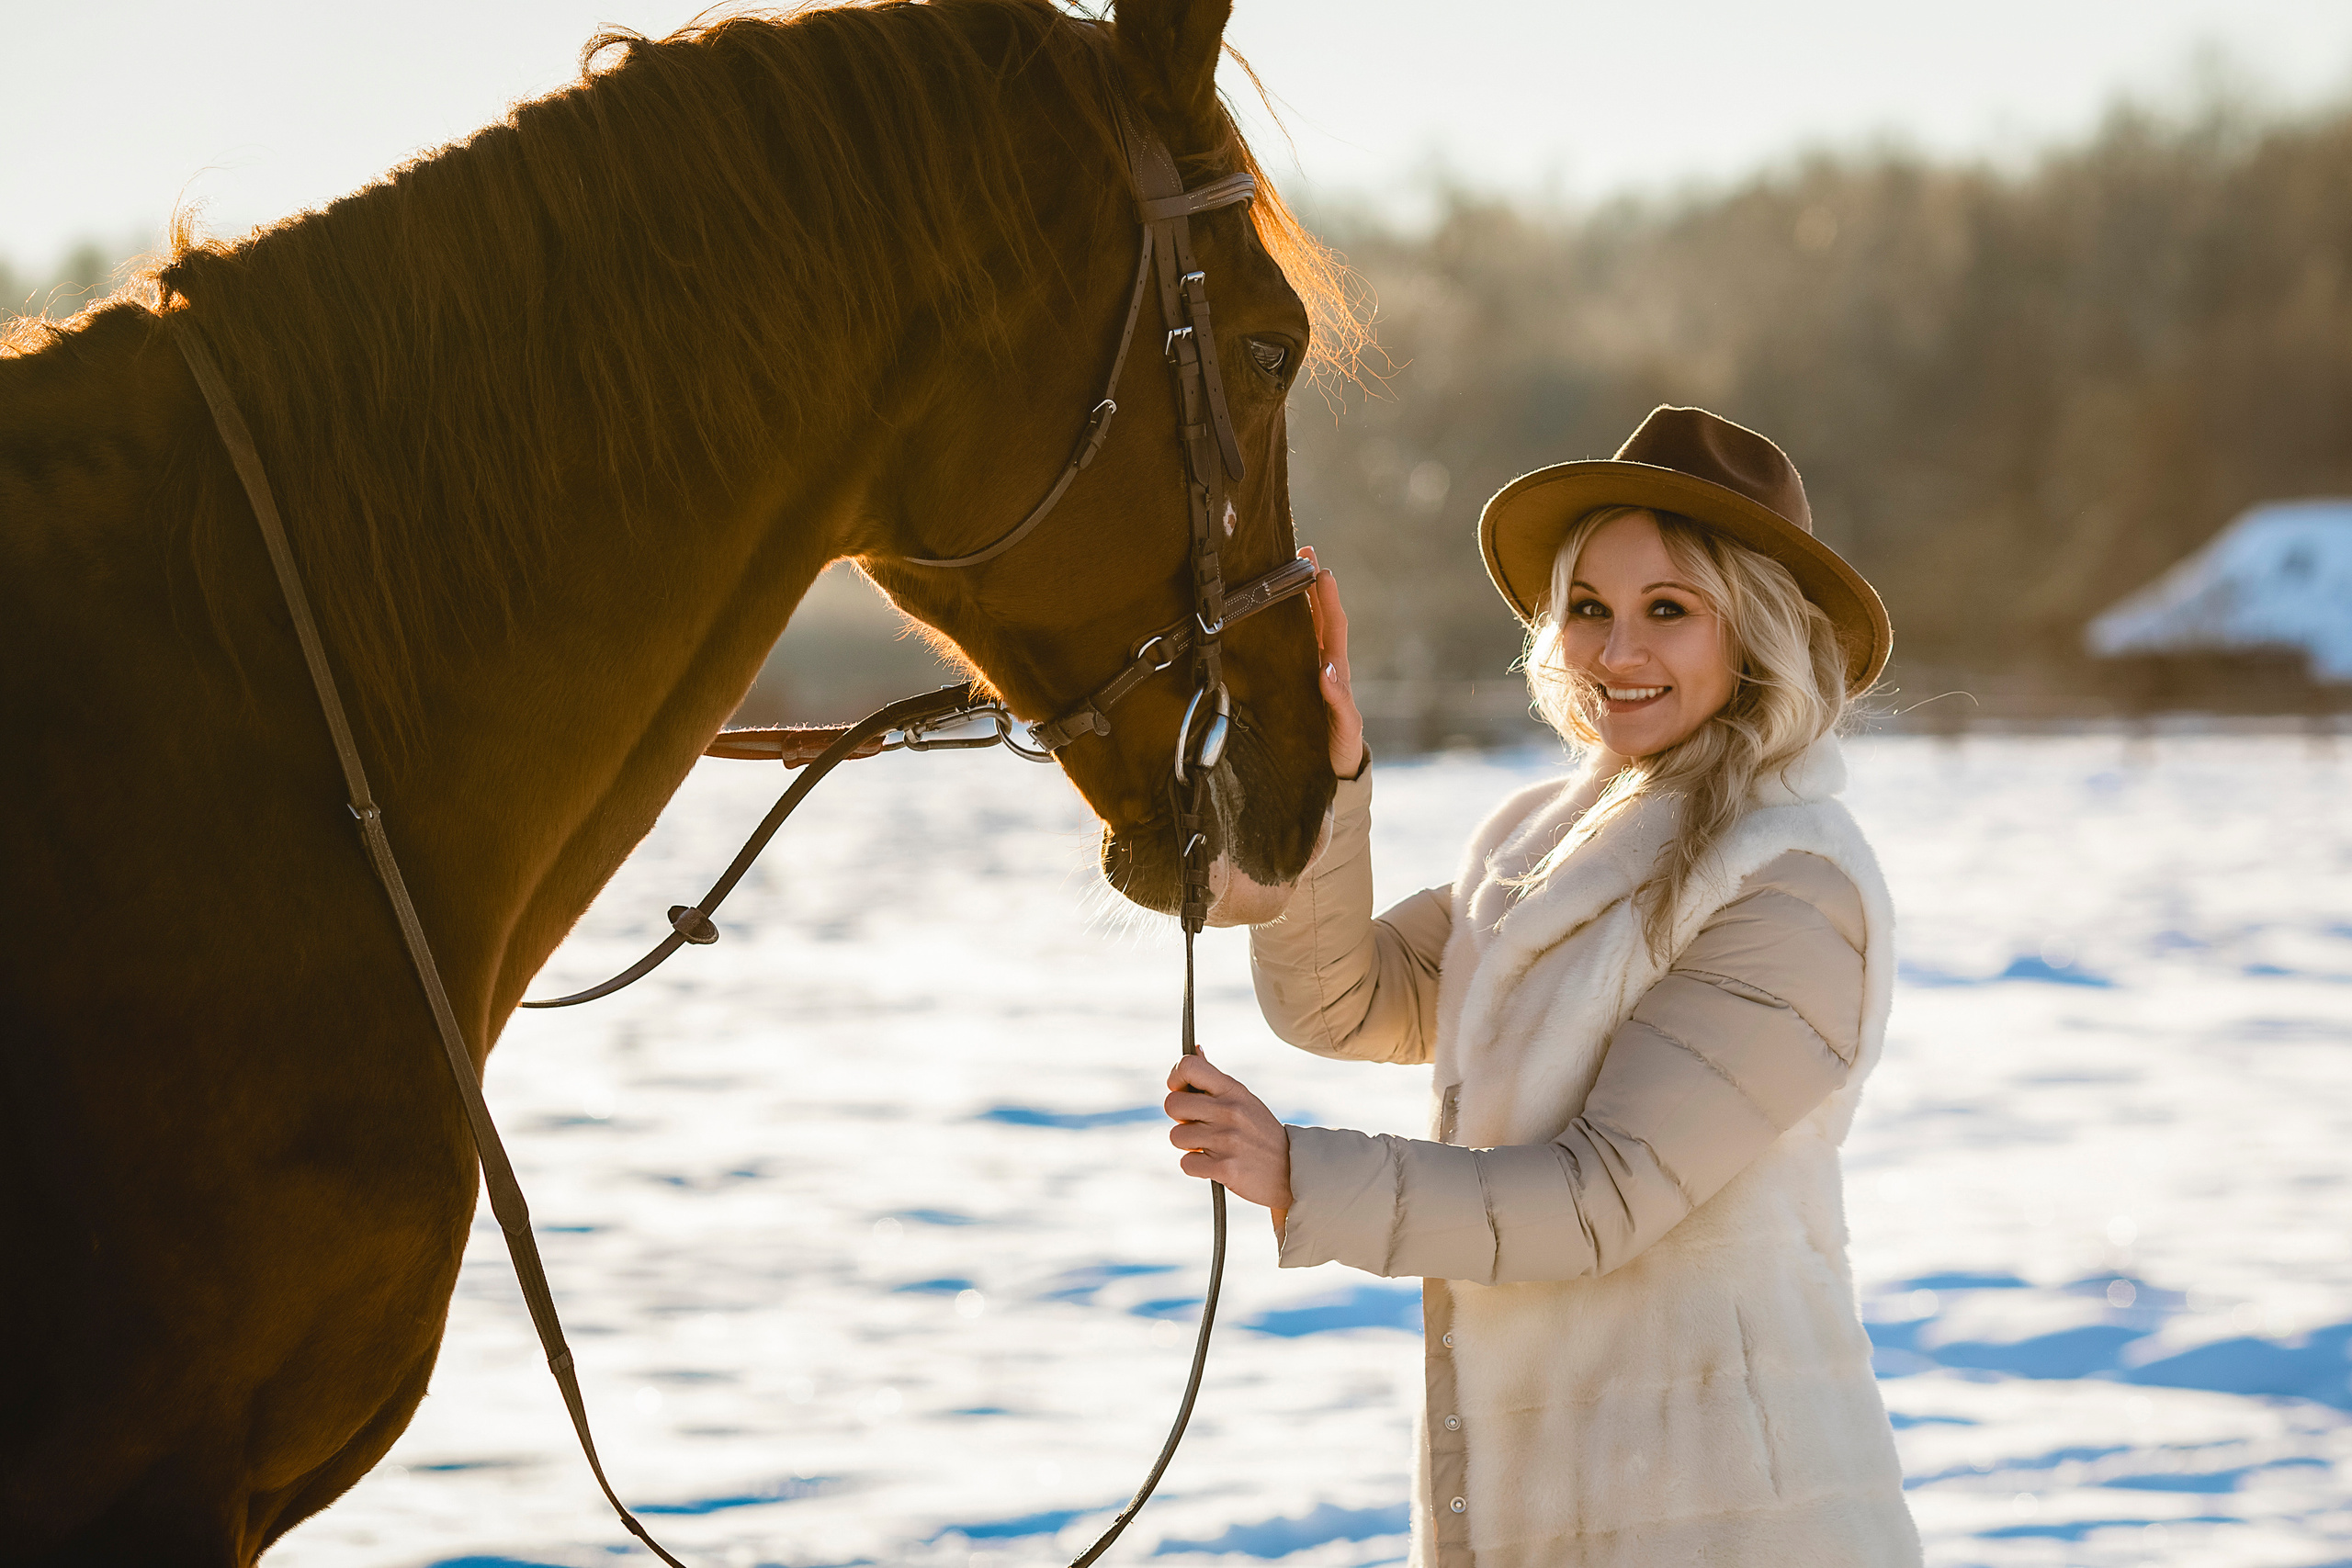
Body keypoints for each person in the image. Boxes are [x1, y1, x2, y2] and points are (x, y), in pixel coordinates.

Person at [1161, 407, 1921, 1566]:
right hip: (1537, 1494)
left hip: (1728, 1514)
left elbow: (1599, 1201)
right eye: (1587, 609)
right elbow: (1344, 1002)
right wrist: (1323, 775)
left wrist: (1298, 1172)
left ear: (1758, 633)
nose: (1617, 653)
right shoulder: (1535, 837)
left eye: (1668, 610)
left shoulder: (1793, 882)